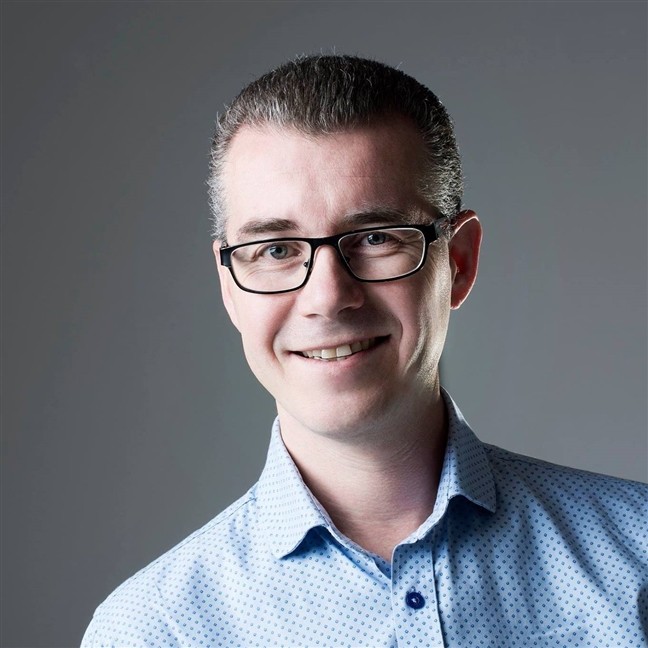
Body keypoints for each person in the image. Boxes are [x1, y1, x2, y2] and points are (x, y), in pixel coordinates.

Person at [81, 54, 647, 647]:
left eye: (376, 238)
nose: (327, 298)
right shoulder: (152, 631)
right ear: (229, 286)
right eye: (275, 250)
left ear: (458, 262)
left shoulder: (639, 562)